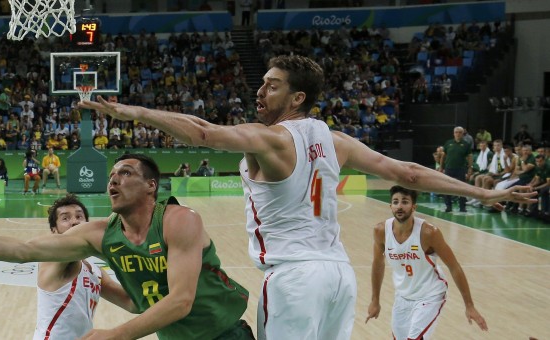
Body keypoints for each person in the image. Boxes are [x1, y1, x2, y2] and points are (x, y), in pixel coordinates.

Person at [79, 55, 534, 340]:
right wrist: (481, 190)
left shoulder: (271, 138)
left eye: (271, 85)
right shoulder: (335, 140)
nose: (260, 90)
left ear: (297, 97)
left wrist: (128, 111)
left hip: (295, 279)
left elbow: (202, 131)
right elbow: (407, 172)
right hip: (340, 277)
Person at [0, 154, 254, 340]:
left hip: (222, 334)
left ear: (151, 186)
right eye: (111, 176)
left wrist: (117, 335)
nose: (113, 180)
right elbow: (24, 249)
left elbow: (180, 301)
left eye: (125, 173)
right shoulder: (99, 235)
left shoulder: (179, 220)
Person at [365, 186, 488, 339]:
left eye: (405, 202)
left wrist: (469, 305)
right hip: (403, 295)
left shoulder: (429, 233)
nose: (400, 206)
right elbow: (378, 264)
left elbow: (454, 266)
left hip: (430, 294)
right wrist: (375, 300)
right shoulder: (380, 231)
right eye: (395, 202)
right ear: (390, 207)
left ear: (414, 207)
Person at [34, 193, 134, 339]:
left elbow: (131, 303)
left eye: (79, 217)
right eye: (65, 218)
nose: (74, 222)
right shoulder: (52, 260)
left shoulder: (94, 271)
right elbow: (77, 244)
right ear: (54, 231)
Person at [439, 127, 473, 213]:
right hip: (449, 168)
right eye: (456, 132)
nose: (458, 134)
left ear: (462, 134)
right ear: (453, 133)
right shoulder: (448, 143)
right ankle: (448, 206)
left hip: (461, 169)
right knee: (446, 188)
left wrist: (470, 168)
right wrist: (441, 167)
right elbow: (443, 156)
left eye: (460, 132)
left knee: (462, 188)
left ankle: (462, 207)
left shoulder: (466, 144)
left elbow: (469, 157)